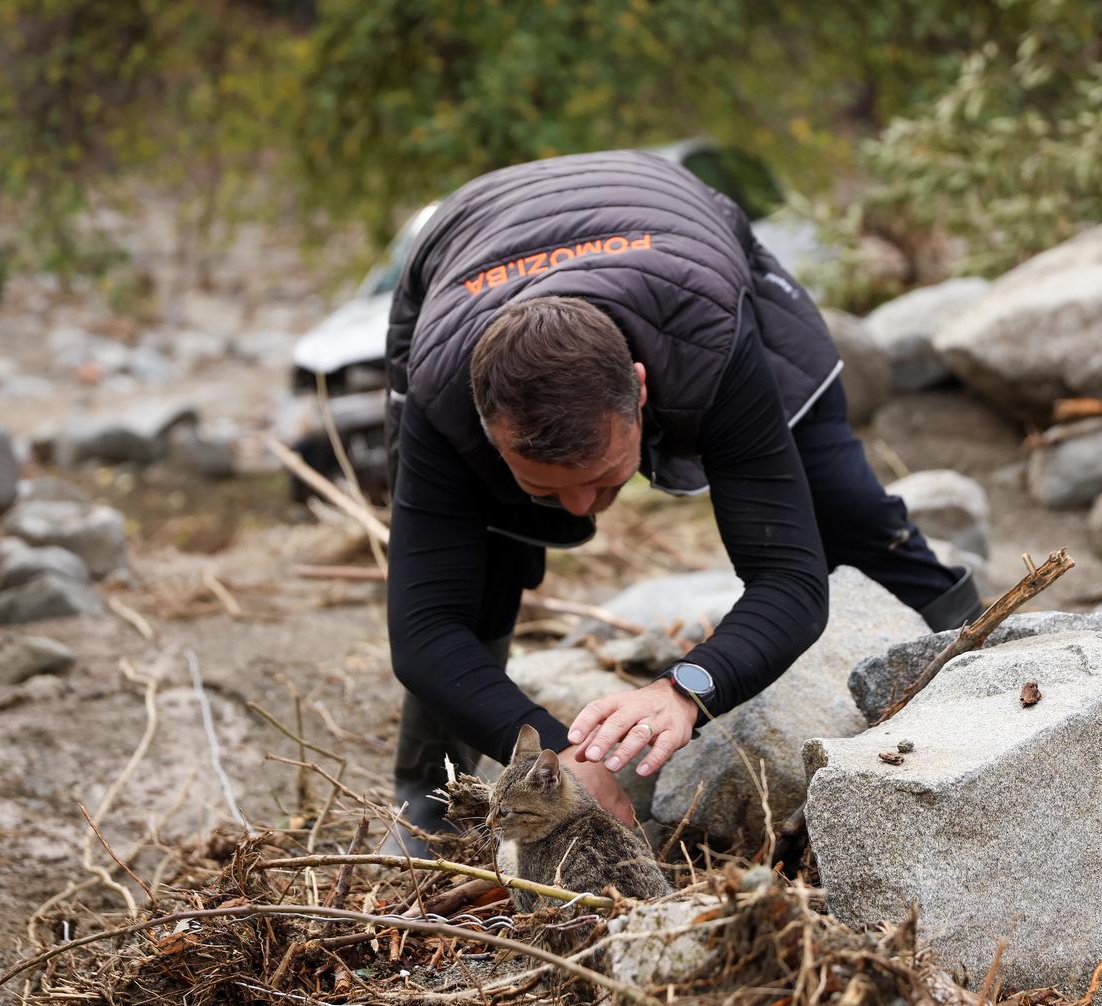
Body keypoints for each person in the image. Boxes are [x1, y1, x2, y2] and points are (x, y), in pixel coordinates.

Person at [380, 150, 981, 852]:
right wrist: (554, 757)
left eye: (604, 477)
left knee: (845, 510)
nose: (581, 510)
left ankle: (983, 656)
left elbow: (788, 579)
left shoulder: (707, 339)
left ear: (639, 389)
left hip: (682, 255)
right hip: (461, 252)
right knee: (474, 571)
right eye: (547, 485)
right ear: (483, 428)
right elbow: (422, 633)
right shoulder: (440, 395)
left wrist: (685, 688)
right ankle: (428, 808)